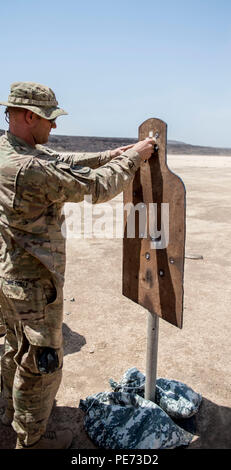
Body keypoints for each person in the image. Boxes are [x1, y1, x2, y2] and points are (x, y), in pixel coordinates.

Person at [0, 82, 155, 449]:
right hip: (34, 284)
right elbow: (98, 187)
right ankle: (31, 440)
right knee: (41, 365)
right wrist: (134, 157)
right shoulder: (28, 168)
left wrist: (113, 152)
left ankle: (10, 413)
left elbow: (62, 162)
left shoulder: (9, 151)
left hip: (8, 276)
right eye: (50, 119)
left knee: (13, 348)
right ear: (28, 116)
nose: (54, 127)